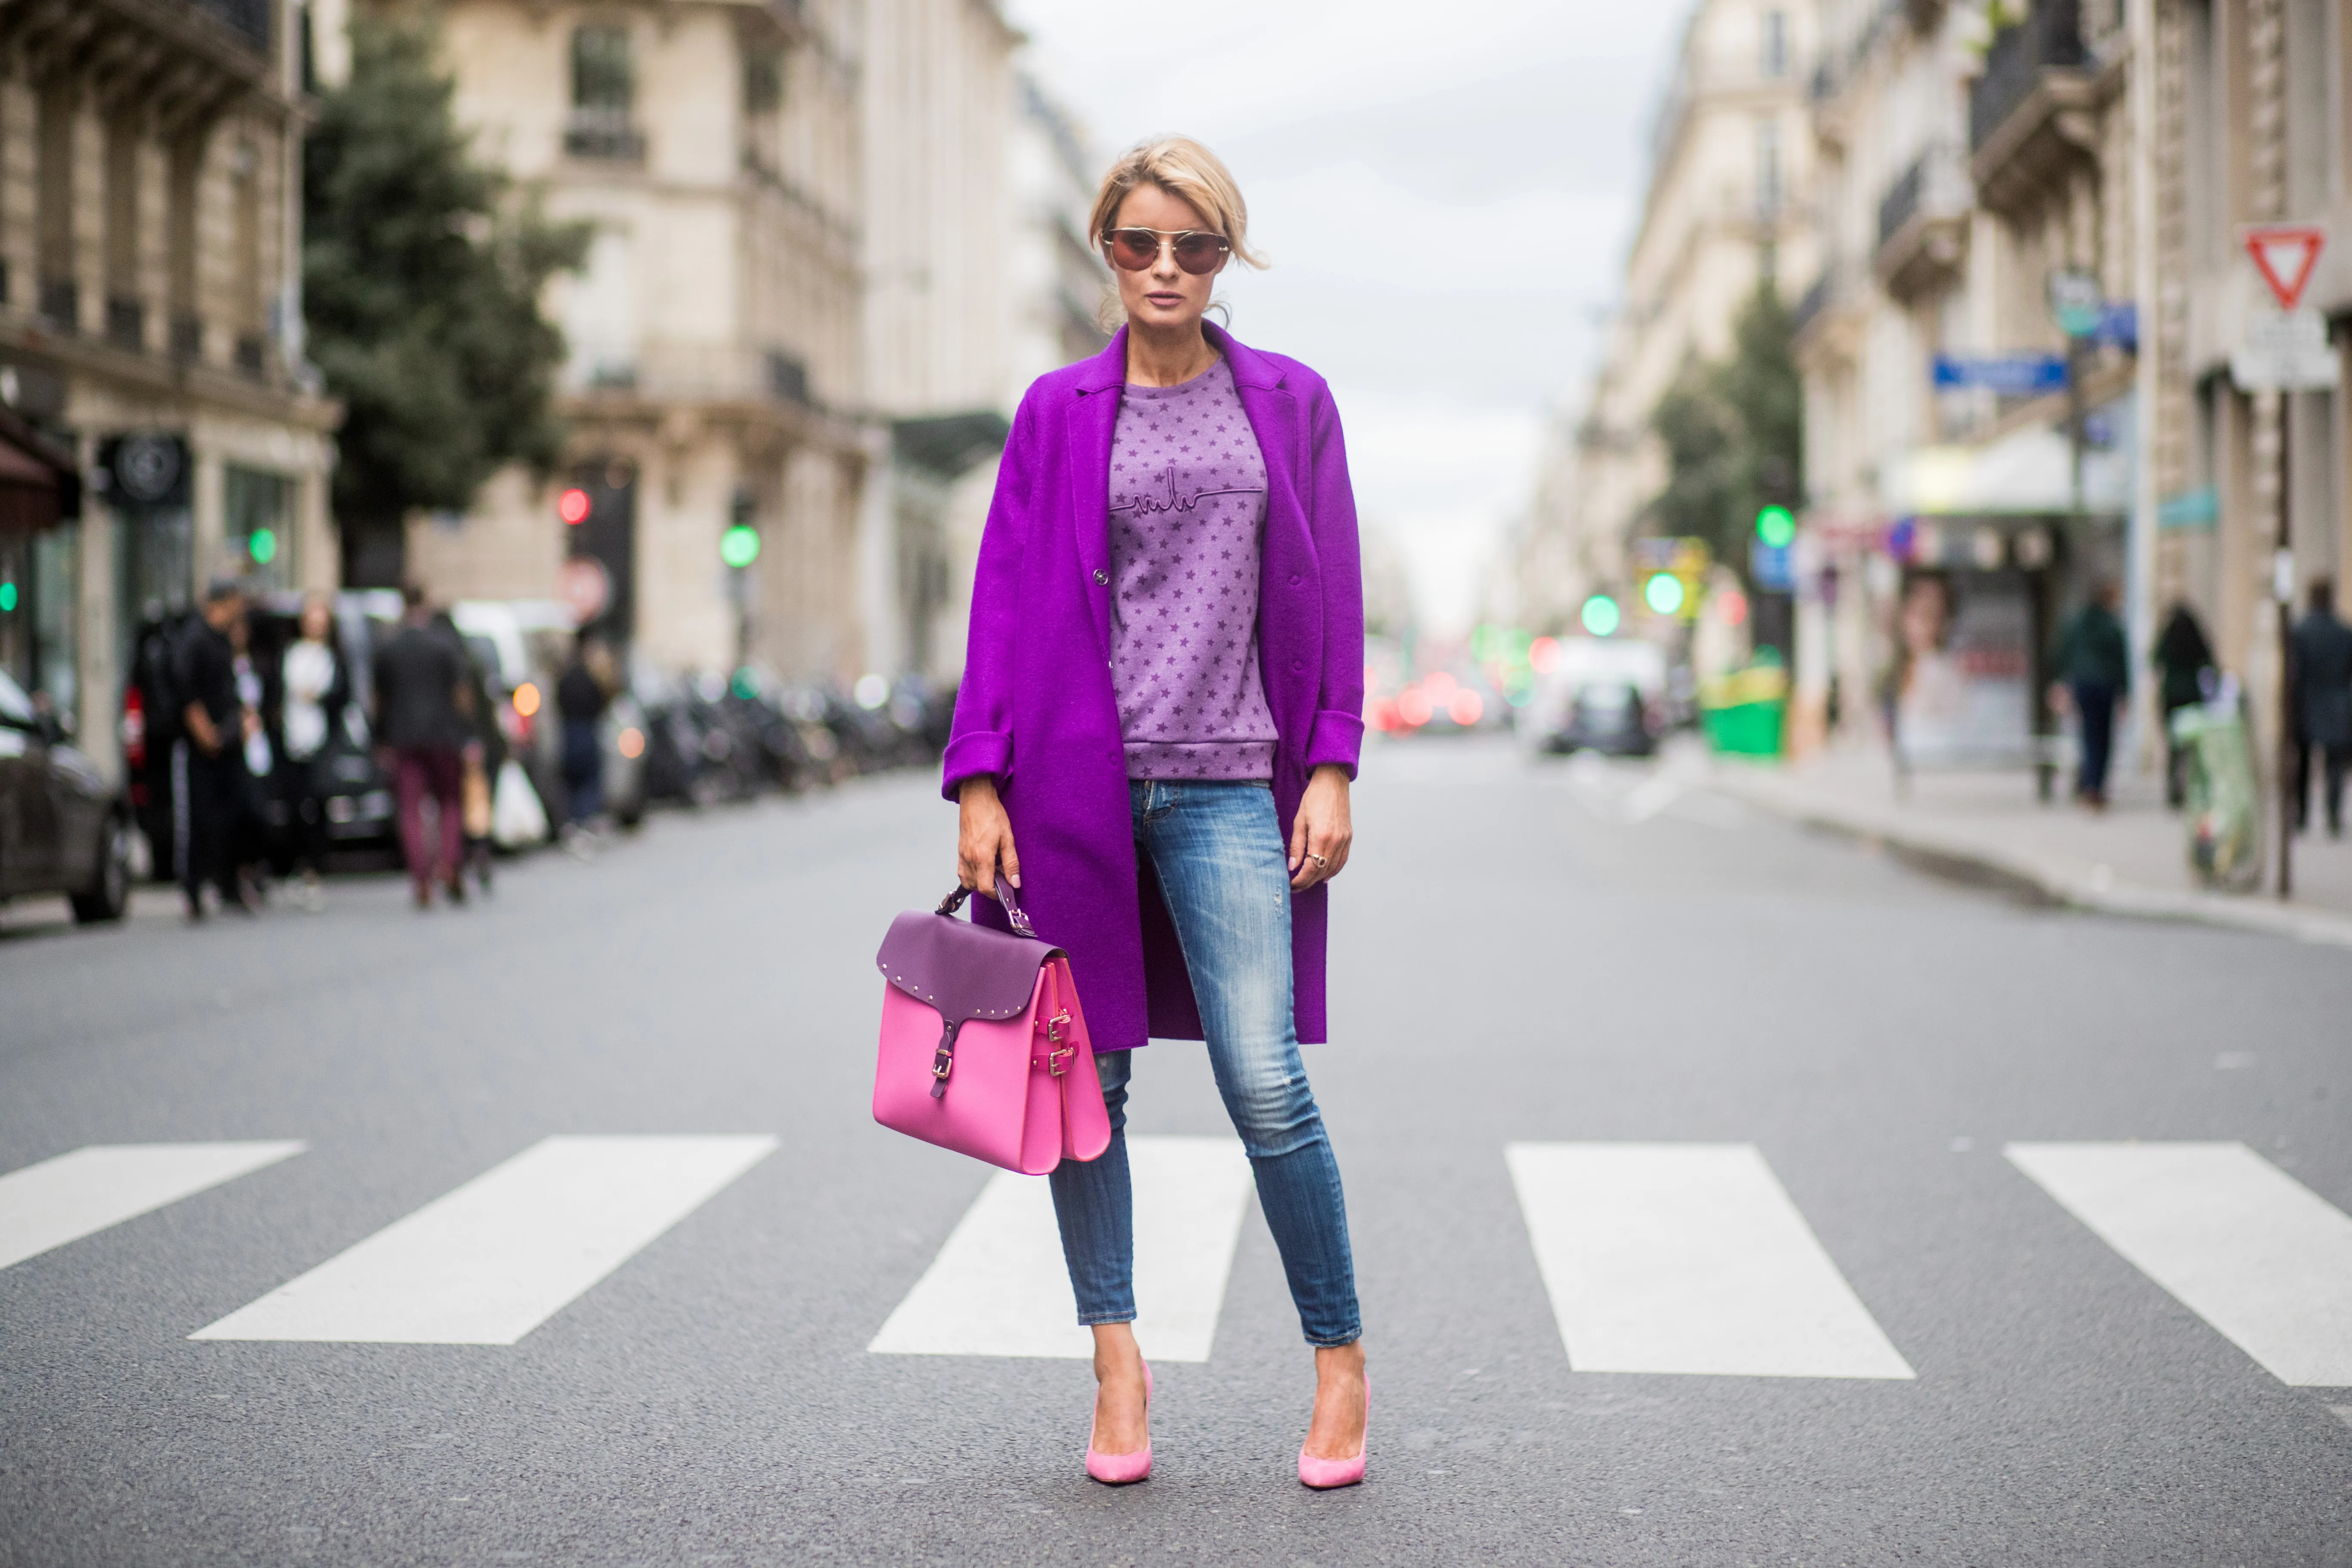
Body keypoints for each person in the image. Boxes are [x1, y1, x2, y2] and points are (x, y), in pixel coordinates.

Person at [947, 136, 1368, 1490]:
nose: (1166, 268)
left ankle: (1339, 1359)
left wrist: (1333, 762)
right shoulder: (1058, 412)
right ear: (1106, 251)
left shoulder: (1290, 403)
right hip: (1073, 792)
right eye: (1140, 244)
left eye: (1193, 245)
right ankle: (1117, 1360)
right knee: (1091, 1088)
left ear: (1226, 253)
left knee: (1265, 1080)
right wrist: (981, 781)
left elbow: (1337, 588)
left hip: (1228, 780)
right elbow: (1005, 601)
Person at [372, 584, 471, 908]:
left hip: (404, 737)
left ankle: (421, 877)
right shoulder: (444, 646)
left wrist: (381, 739)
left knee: (411, 809)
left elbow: (379, 702)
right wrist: (466, 734)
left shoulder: (388, 649)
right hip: (443, 736)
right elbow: (461, 697)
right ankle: (449, 862)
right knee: (450, 803)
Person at [171, 579, 256, 919]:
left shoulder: (224, 639)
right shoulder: (194, 639)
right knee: (201, 817)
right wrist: (203, 731)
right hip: (204, 746)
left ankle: (230, 882)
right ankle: (194, 889)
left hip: (231, 740)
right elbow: (185, 689)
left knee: (238, 811)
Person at [274, 593, 349, 910]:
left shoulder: (333, 658)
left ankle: (315, 870)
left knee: (318, 806)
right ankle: (295, 867)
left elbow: (342, 697)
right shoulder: (289, 654)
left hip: (320, 741)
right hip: (292, 740)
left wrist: (318, 697)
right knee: (293, 806)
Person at [2050, 579, 2129, 809]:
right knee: (2103, 738)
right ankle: (2096, 786)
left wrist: (2060, 682)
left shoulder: (2076, 624)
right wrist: (2126, 693)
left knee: (2088, 735)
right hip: (2105, 686)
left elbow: (2061, 653)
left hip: (2083, 684)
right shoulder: (2112, 626)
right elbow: (2121, 661)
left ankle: (2090, 785)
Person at [2291, 577, 2352, 837]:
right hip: (2338, 702)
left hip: (2307, 700)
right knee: (2334, 764)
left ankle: (2303, 815)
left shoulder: (2301, 631)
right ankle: (2333, 816)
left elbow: (2295, 672)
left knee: (2304, 761)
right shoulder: (2344, 632)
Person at [2152, 600, 2215, 808]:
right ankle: (2191, 787)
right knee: (2192, 745)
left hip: (2171, 695)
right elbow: (2209, 663)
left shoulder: (2168, 637)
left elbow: (2155, 660)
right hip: (2192, 695)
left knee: (2173, 745)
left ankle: (2173, 787)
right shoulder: (2196, 638)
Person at [556, 636, 611, 842]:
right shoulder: (591, 677)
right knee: (588, 777)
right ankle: (586, 819)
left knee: (572, 778)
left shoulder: (565, 677)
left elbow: (558, 701)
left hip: (569, 730)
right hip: (586, 729)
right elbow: (602, 700)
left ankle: (572, 821)